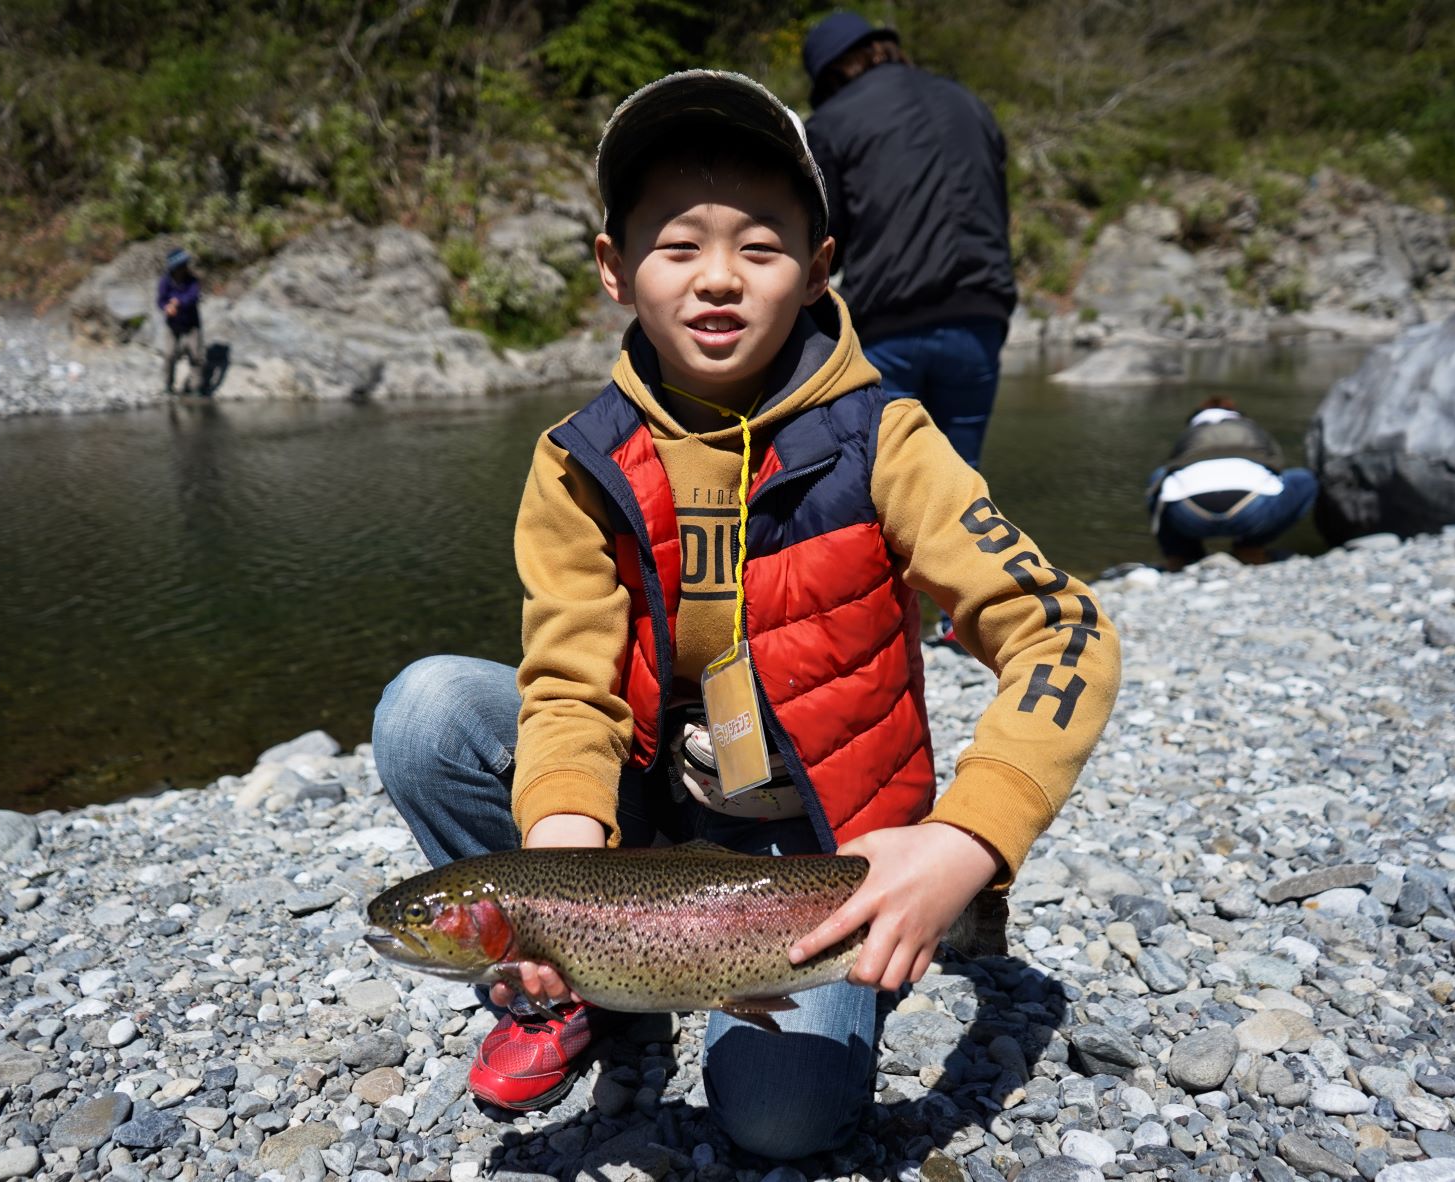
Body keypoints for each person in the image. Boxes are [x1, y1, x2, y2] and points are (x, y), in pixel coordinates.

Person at [370, 70, 1119, 1159]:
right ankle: (584, 992)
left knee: (777, 1126)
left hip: (815, 857)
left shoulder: (889, 440)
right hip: (648, 823)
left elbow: (1066, 631)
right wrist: (555, 881)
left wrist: (963, 847)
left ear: (819, 272)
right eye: (678, 247)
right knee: (429, 709)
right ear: (615, 271)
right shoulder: (576, 463)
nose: (719, 278)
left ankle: (808, 974)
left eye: (761, 248)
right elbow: (570, 688)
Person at [801, 12, 1016, 472]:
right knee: (961, 487)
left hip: (891, 322)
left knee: (883, 481)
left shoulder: (833, 121)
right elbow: (996, 206)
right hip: (980, 317)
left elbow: (825, 231)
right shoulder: (971, 104)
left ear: (835, 71)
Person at [1146, 398, 1319, 570]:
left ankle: (1182, 557)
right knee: (1304, 479)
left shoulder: (1188, 435)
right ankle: (1251, 548)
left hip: (1189, 517)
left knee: (1159, 477)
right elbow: (1276, 469)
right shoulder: (1251, 429)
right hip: (1251, 514)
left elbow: (1170, 472)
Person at [158, 248, 203, 395]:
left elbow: (193, 297)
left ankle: (196, 387)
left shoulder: (192, 280)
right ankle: (168, 386)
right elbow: (160, 301)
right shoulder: (165, 281)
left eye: (185, 265)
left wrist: (178, 302)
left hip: (191, 323)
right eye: (181, 266)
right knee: (169, 354)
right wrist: (166, 307)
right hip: (173, 324)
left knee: (195, 355)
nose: (184, 268)